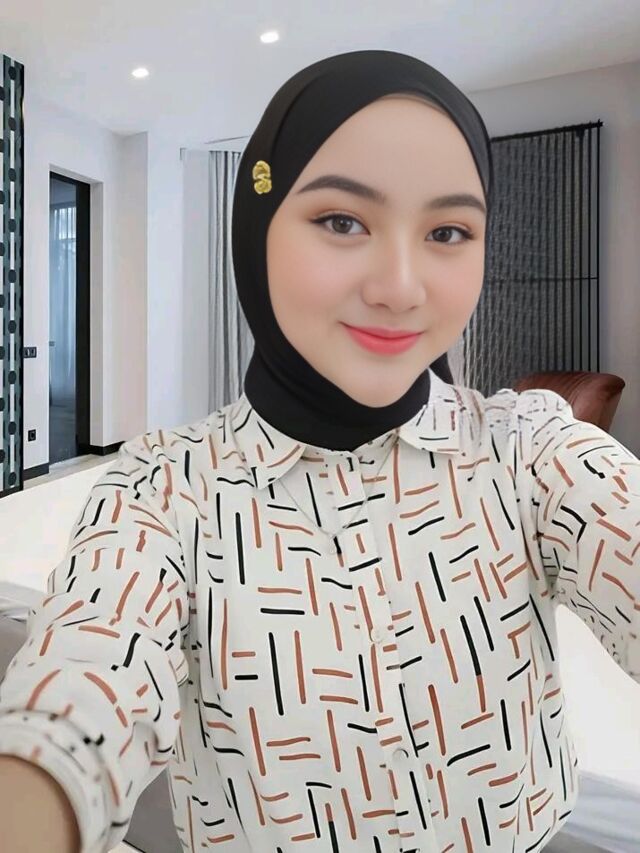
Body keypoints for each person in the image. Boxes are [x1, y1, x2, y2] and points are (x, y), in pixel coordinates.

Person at [0, 48, 638, 853]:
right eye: (342, 221)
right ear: (258, 228)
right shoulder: (164, 489)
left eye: (448, 231)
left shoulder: (529, 450)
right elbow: (80, 696)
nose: (399, 286)